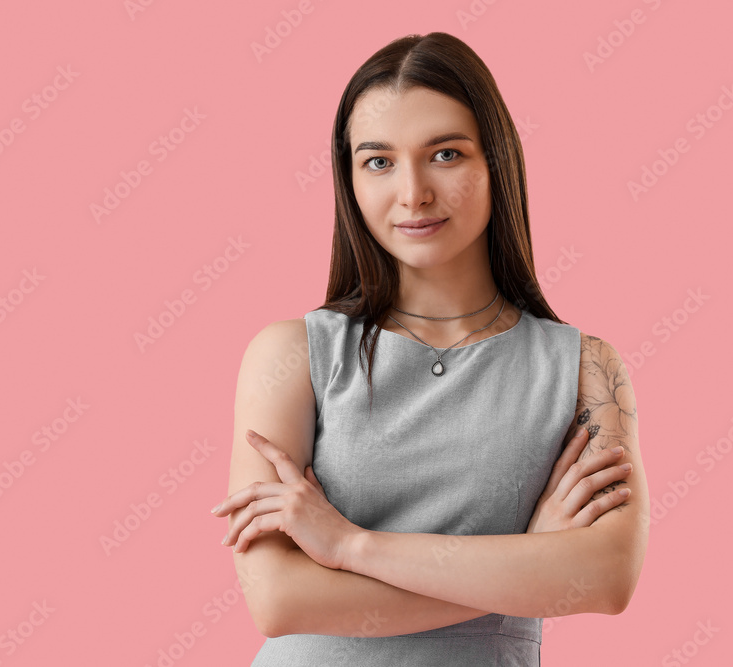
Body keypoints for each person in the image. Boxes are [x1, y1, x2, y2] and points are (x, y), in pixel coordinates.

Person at [211, 32, 649, 666]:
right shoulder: (291, 357)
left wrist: (350, 547)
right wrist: (527, 565)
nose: (412, 192)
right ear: (350, 179)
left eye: (445, 153)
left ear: (496, 160)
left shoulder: (585, 368)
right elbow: (279, 602)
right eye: (379, 161)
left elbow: (606, 579)